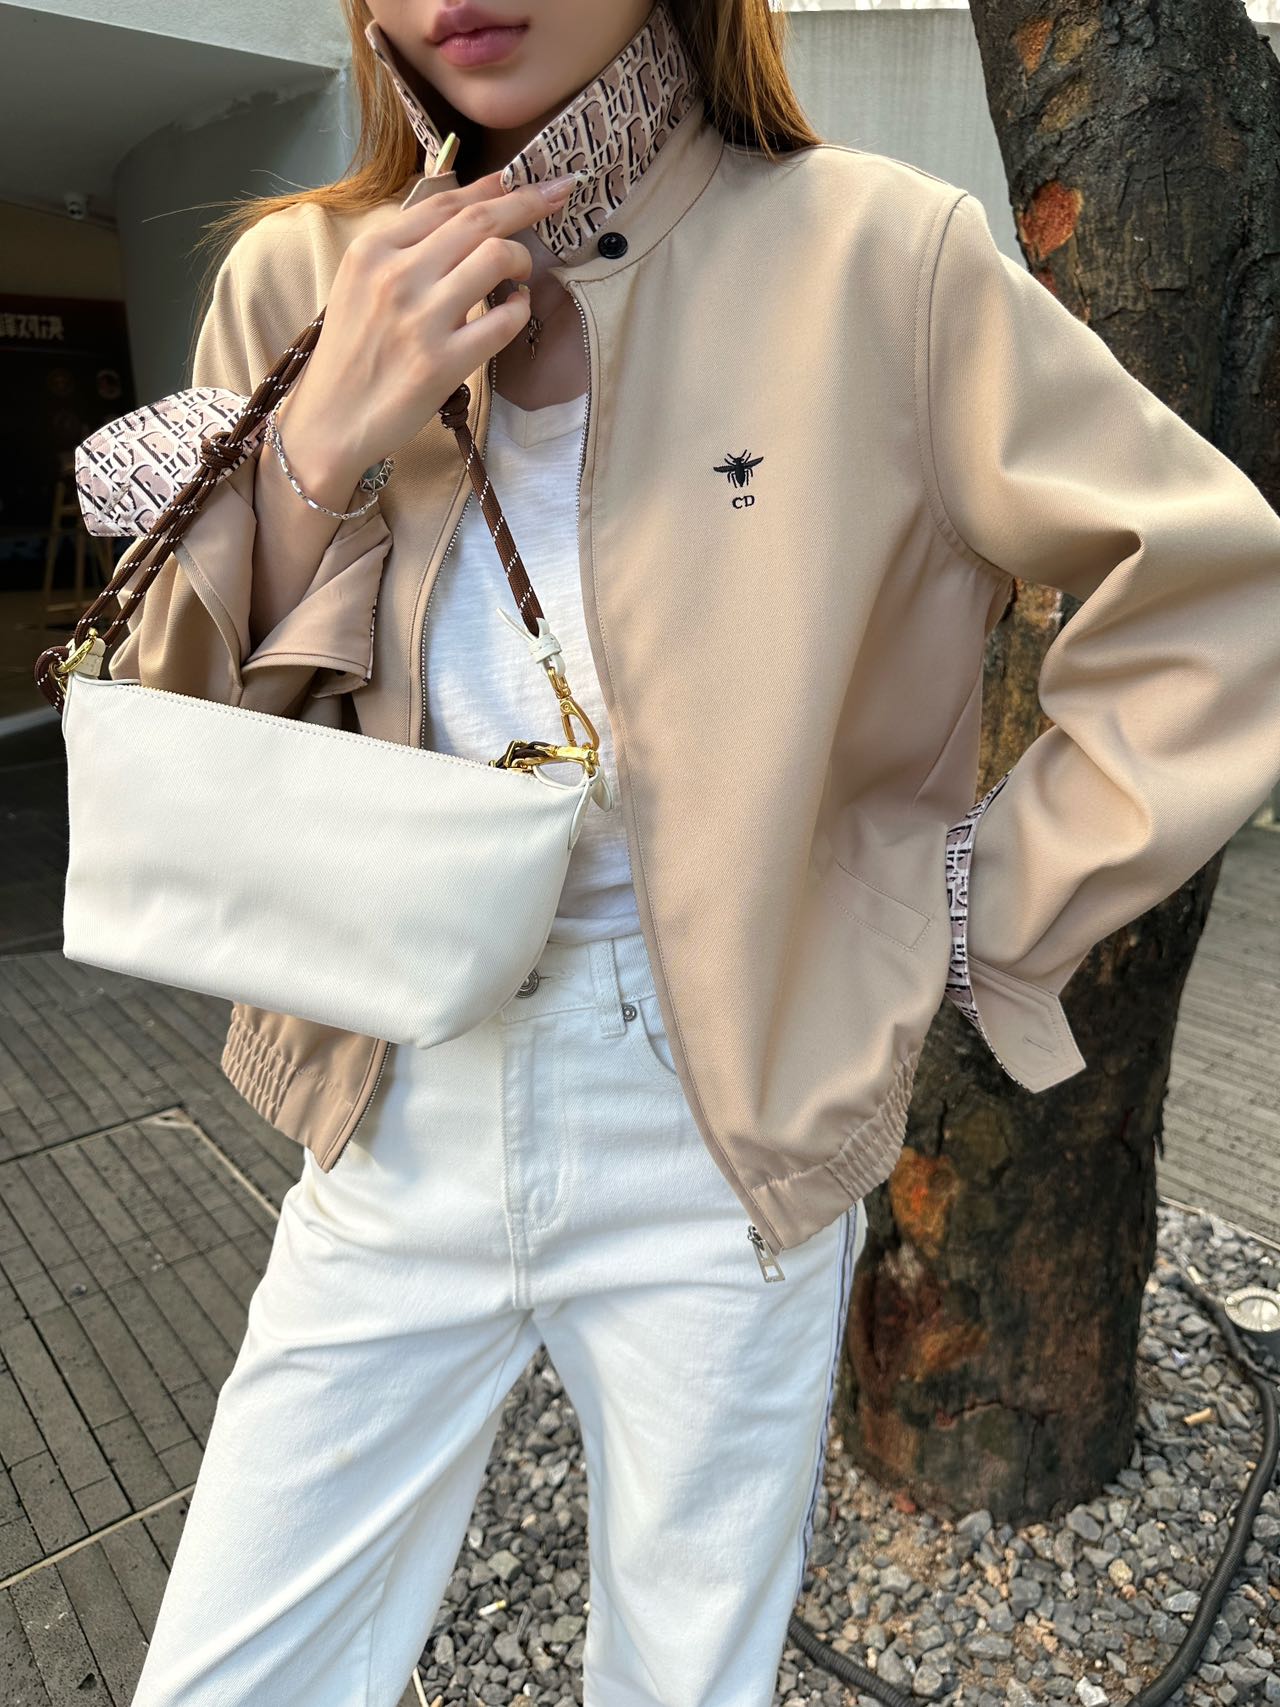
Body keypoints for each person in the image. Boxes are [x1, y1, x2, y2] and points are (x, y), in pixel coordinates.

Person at [110, 1, 1280, 1702]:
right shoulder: (299, 280)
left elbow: (1219, 596)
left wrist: (965, 908)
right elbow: (196, 733)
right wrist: (317, 446)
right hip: (390, 1098)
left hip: (723, 1125)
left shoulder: (874, 259)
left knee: (687, 1675)